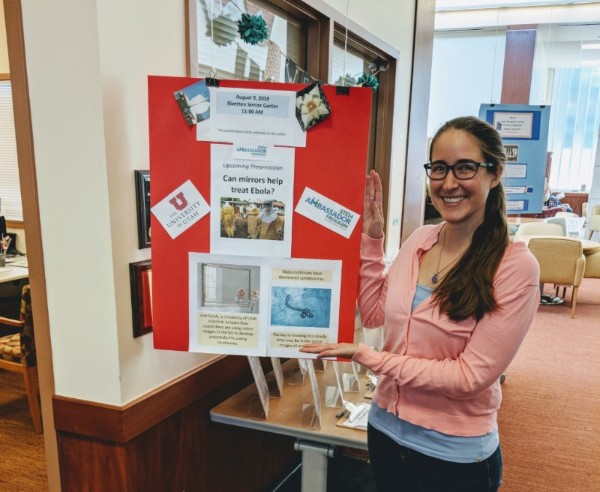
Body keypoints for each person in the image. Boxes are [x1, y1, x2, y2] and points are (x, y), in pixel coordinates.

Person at [300, 116, 540, 492]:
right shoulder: (421, 239)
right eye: (439, 168)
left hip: (453, 457)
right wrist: (372, 240)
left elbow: (469, 378)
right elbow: (377, 312)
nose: (448, 183)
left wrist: (372, 358)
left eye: (465, 168)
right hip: (385, 432)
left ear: (494, 174)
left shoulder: (514, 266)